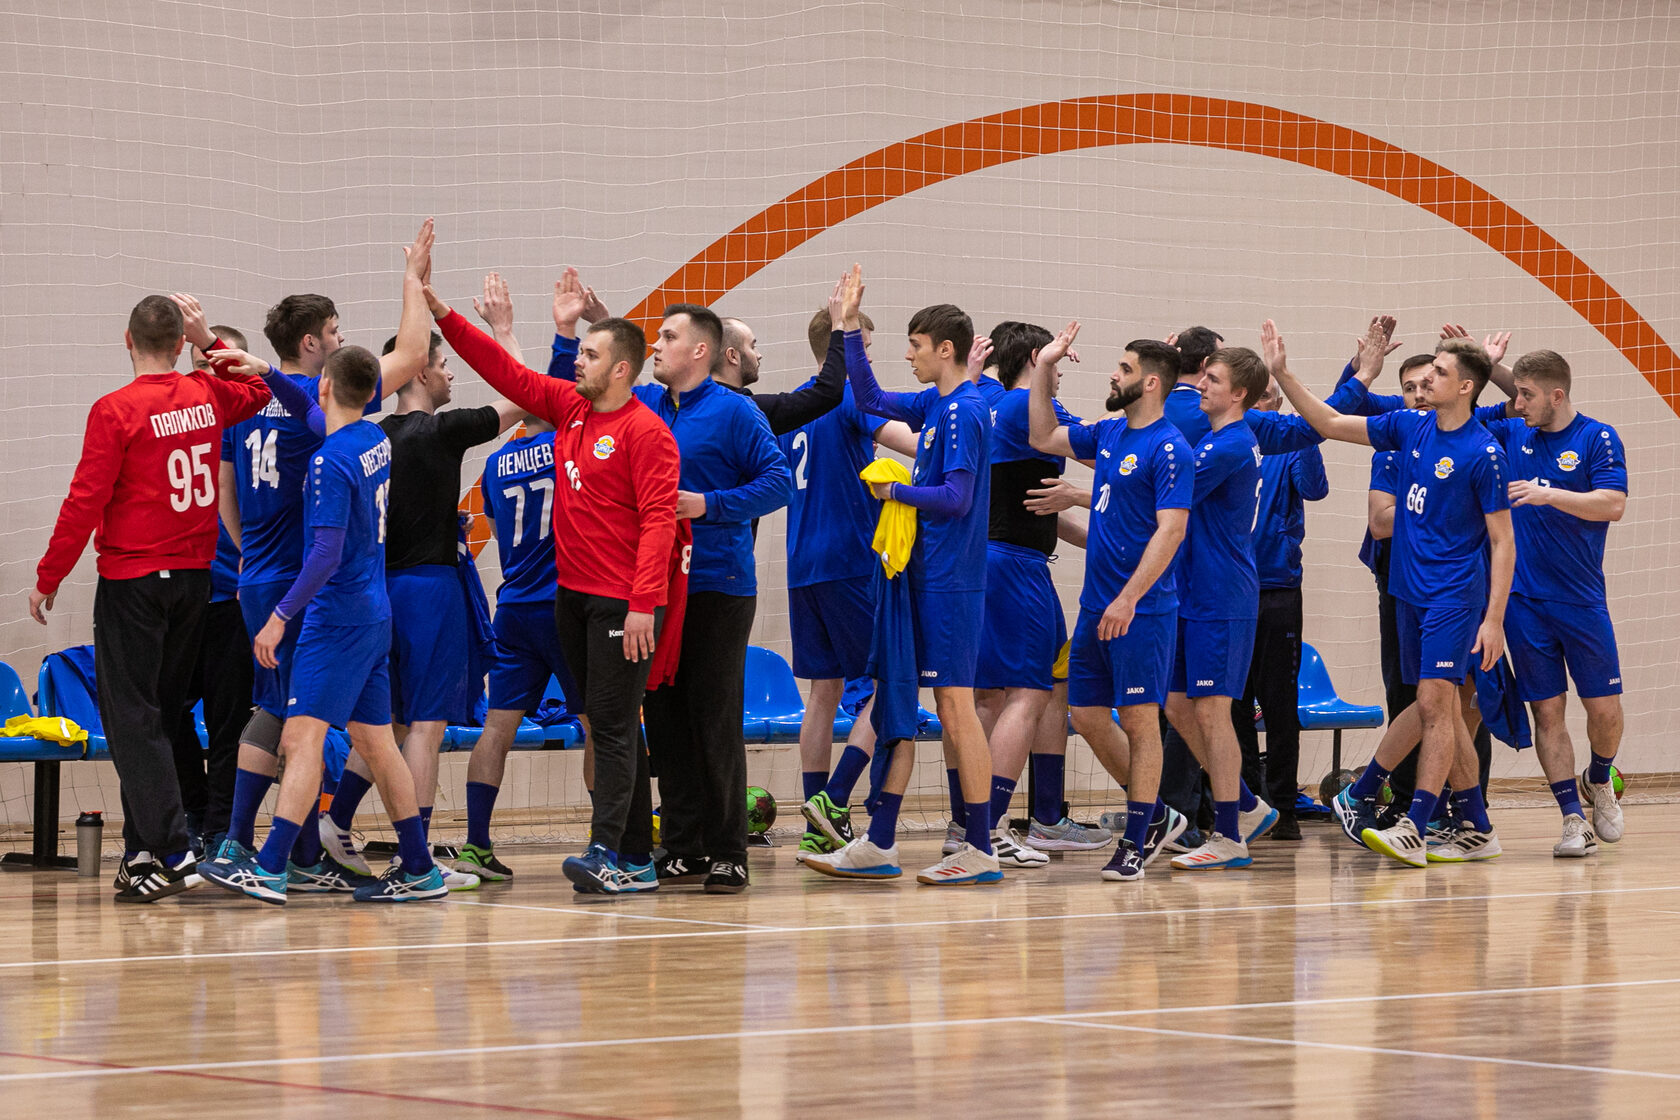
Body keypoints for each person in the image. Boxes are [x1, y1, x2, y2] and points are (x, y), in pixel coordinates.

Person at [432, 267, 683, 895]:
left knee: (613, 724)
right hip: (568, 600)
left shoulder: (647, 433)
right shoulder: (570, 410)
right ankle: (632, 857)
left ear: (621, 369)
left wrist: (643, 604)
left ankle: (612, 852)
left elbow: (659, 522)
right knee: (606, 722)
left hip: (620, 604)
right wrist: (441, 313)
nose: (578, 361)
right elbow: (506, 374)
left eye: (591, 354)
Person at [548, 271, 785, 894]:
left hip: (717, 584)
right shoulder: (646, 406)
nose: (656, 344)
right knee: (661, 714)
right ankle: (681, 844)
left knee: (713, 715)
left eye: (668, 336)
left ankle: (729, 848)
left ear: (700, 352)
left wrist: (709, 505)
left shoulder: (737, 412)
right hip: (651, 592)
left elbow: (778, 482)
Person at [31, 293, 272, 902]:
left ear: (127, 339)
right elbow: (262, 392)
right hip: (194, 582)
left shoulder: (115, 410)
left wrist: (49, 575)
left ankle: (172, 848)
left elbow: (84, 499)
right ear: (178, 343)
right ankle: (141, 854)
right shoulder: (205, 392)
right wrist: (210, 344)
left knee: (132, 720)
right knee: (159, 717)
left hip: (134, 584)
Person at [211, 221, 436, 870]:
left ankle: (276, 860)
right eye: (334, 330)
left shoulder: (321, 449)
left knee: (295, 727)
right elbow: (407, 355)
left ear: (329, 385)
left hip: (307, 595)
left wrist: (275, 605)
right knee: (365, 738)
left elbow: (321, 549)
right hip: (362, 606)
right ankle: (412, 866)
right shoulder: (370, 438)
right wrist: (413, 281)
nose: (337, 338)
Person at [1264, 318, 1514, 867]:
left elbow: (1503, 543)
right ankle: (1477, 827)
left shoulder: (1484, 450)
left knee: (1432, 703)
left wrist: (1493, 619)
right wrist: (1284, 375)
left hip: (1455, 594)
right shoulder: (1408, 428)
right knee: (1439, 707)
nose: (1426, 382)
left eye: (1440, 373)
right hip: (1407, 592)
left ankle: (1413, 824)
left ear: (1466, 386)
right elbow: (1328, 422)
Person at [802, 265, 1000, 886]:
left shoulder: (966, 410)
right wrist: (847, 328)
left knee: (954, 707)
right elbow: (870, 399)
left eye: (915, 346)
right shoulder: (935, 403)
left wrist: (899, 489)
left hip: (950, 582)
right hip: (916, 573)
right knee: (895, 699)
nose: (908, 356)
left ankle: (981, 845)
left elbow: (957, 498)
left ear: (945, 349)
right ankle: (879, 840)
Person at [320, 316, 523, 887]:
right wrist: (502, 330)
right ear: (422, 371)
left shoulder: (370, 436)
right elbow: (522, 393)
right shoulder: (443, 430)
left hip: (378, 591)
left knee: (389, 724)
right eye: (444, 364)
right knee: (426, 728)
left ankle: (335, 822)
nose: (450, 373)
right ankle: (418, 857)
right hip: (431, 592)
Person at [1027, 330, 1193, 881]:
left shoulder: (1171, 447)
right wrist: (1046, 366)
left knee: (1143, 722)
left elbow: (1171, 532)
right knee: (1087, 716)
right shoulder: (1110, 433)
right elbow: (1044, 433)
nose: (1112, 375)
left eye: (1122, 368)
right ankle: (1158, 816)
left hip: (1140, 611)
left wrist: (1129, 597)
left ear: (1148, 381)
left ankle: (1136, 838)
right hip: (1096, 606)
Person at [971, 320, 1110, 862]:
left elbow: (1035, 509)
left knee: (1027, 690)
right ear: (1037, 356)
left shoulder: (987, 400)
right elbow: (1114, 458)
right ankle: (987, 826)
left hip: (997, 563)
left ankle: (1034, 817)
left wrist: (1103, 540)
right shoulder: (1024, 410)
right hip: (1014, 568)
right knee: (1027, 694)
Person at [788, 290, 919, 860]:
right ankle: (838, 797)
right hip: (848, 560)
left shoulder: (794, 405)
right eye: (863, 348)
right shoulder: (847, 396)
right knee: (893, 681)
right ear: (847, 348)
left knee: (824, 691)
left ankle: (816, 807)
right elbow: (912, 444)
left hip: (801, 566)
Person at [455, 273, 577, 880]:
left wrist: (505, 331)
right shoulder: (566, 444)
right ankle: (611, 841)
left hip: (516, 605)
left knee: (497, 728)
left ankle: (476, 843)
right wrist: (561, 332)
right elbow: (541, 389)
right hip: (568, 605)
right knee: (598, 725)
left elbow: (500, 532)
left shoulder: (497, 463)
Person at [1486, 349, 1629, 856]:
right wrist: (1485, 364)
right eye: (1515, 392)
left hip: (1582, 598)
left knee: (1605, 709)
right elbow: (1504, 400)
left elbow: (1612, 504)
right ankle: (1572, 818)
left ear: (1557, 396)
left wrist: (1551, 495)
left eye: (1526, 395)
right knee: (1547, 712)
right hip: (1524, 600)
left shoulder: (1597, 437)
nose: (1516, 402)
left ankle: (1600, 778)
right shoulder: (1513, 431)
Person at [1160, 345, 1276, 871]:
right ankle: (1246, 806)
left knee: (1212, 710)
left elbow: (1157, 497)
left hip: (1222, 596)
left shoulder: (1229, 445)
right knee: (1177, 703)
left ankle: (1229, 832)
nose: (1201, 385)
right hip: (1193, 592)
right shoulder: (1213, 440)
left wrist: (1079, 497)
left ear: (1240, 395)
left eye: (1213, 379)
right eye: (1202, 375)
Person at [163, 323, 259, 857]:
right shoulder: (174, 425)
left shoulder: (249, 425)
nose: (203, 377)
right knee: (166, 712)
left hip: (232, 595)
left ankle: (223, 828)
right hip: (178, 593)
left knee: (229, 723)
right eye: (197, 367)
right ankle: (194, 808)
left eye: (214, 365)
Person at [1234, 376, 1328, 841]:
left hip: (1278, 590)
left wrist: (1305, 427)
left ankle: (1285, 807)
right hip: (1228, 591)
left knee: (1279, 705)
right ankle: (1249, 803)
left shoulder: (1290, 445)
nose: (1264, 405)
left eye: (1272, 396)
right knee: (1232, 705)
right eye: (1259, 397)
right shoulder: (1227, 442)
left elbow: (1315, 490)